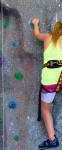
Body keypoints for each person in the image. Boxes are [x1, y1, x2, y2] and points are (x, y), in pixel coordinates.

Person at [32, 18, 62, 149]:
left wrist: (35, 24)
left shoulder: (47, 37)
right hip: (59, 76)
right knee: (48, 105)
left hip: (49, 77)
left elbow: (37, 34)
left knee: (44, 109)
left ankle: (52, 139)